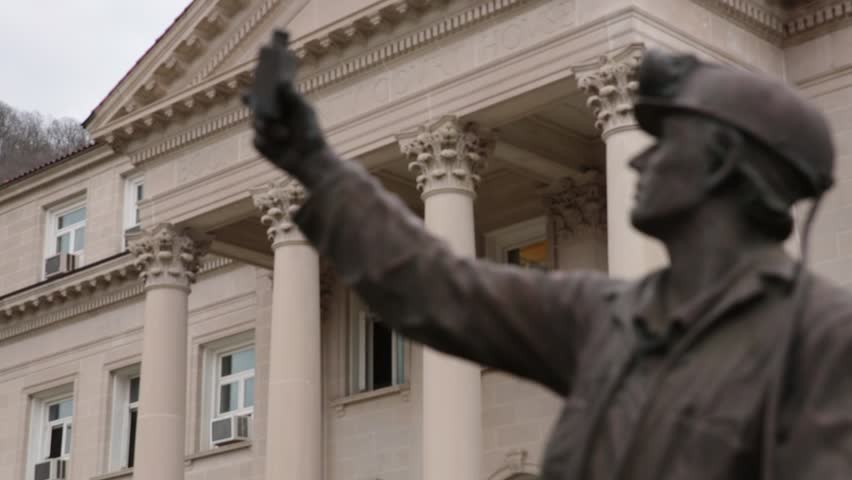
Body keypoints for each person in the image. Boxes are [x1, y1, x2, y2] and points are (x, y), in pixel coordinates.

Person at [244, 31, 852, 479]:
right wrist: (315, 163)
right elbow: (441, 289)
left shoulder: (821, 343)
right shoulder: (608, 318)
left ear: (720, 162)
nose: (641, 158)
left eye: (665, 142)